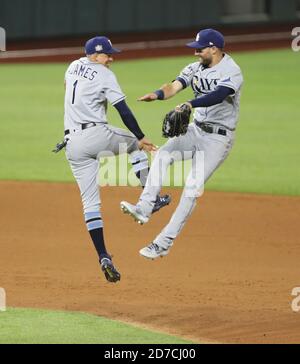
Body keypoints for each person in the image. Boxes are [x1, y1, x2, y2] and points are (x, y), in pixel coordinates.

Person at [120, 28, 243, 259]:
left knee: (191, 189)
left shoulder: (232, 71)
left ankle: (163, 243)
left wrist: (190, 104)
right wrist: (157, 94)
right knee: (163, 154)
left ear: (214, 49)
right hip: (195, 130)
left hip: (218, 138)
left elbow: (218, 95)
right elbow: (174, 85)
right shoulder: (194, 68)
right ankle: (145, 208)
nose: (196, 53)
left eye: (200, 49)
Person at [59, 36, 171, 282]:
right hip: (95, 134)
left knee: (90, 203)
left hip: (72, 143)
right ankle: (149, 198)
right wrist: (141, 136)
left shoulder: (73, 66)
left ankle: (103, 255)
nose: (111, 58)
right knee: (135, 145)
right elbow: (123, 109)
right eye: (107, 54)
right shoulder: (104, 75)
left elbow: (70, 92)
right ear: (94, 55)